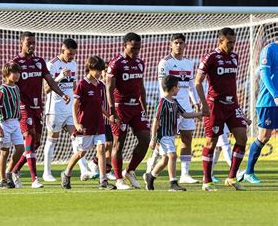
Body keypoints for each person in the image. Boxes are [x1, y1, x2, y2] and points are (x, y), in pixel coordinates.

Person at [9, 31, 69, 189]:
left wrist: (62, 94)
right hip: (23, 106)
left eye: (33, 43)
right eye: (28, 43)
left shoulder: (39, 61)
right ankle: (34, 179)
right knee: (29, 137)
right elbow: (8, 82)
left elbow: (50, 81)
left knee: (36, 143)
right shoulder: (15, 63)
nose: (31, 46)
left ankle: (14, 171)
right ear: (21, 43)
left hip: (38, 107)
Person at [195, 27, 249, 191]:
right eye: (229, 42)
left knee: (242, 137)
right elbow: (198, 82)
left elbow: (231, 84)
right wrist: (204, 105)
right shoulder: (210, 57)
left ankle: (231, 177)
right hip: (215, 105)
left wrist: (240, 109)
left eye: (234, 42)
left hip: (232, 105)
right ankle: (207, 181)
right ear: (220, 41)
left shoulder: (235, 57)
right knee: (211, 142)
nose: (232, 45)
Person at [145, 33, 201, 184]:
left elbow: (190, 85)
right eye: (176, 42)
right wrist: (168, 103)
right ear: (171, 44)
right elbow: (162, 86)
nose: (178, 45)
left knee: (187, 137)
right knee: (165, 139)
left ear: (185, 45)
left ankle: (185, 174)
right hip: (171, 106)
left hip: (185, 106)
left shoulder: (189, 63)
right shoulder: (165, 62)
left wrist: (196, 102)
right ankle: (150, 167)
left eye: (181, 43)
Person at [61, 56, 116, 190]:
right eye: (95, 69)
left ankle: (103, 181)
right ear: (89, 68)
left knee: (101, 149)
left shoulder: (101, 85)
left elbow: (100, 105)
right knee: (81, 153)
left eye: (100, 70)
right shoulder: (82, 84)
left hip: (99, 124)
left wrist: (109, 116)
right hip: (85, 124)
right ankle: (66, 173)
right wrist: (76, 123)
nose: (98, 72)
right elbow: (75, 105)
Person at [43, 38, 92, 182]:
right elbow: (46, 89)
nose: (71, 57)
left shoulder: (74, 64)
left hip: (70, 108)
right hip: (55, 109)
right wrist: (59, 77)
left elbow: (74, 84)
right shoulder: (51, 65)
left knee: (77, 138)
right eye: (69, 54)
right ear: (62, 50)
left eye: (73, 54)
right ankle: (47, 172)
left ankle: (83, 170)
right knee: (52, 139)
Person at [107, 32, 149, 190]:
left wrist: (144, 108)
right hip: (121, 107)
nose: (136, 50)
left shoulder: (139, 63)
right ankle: (118, 180)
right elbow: (109, 88)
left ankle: (130, 170)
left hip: (136, 108)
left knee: (145, 139)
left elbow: (141, 87)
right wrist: (112, 111)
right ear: (125, 45)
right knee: (119, 143)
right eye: (133, 47)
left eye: (138, 47)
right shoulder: (116, 63)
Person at [144, 76, 202, 191]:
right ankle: (173, 183)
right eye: (178, 87)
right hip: (163, 136)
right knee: (173, 156)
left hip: (171, 136)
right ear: (174, 88)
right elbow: (156, 120)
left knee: (165, 160)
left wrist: (200, 114)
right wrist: (153, 138)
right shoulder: (163, 102)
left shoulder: (174, 102)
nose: (179, 89)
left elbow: (184, 114)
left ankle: (151, 176)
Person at [238, 40, 278, 183]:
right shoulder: (269, 50)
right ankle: (248, 171)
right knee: (264, 136)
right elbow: (265, 75)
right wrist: (275, 94)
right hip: (268, 102)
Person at [0, 62, 25, 189]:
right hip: (4, 123)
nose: (17, 75)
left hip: (15, 122)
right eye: (14, 72)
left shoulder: (16, 88)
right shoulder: (2, 89)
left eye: (18, 72)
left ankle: (9, 171)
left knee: (20, 148)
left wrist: (19, 114)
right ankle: (2, 180)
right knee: (4, 152)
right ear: (6, 74)